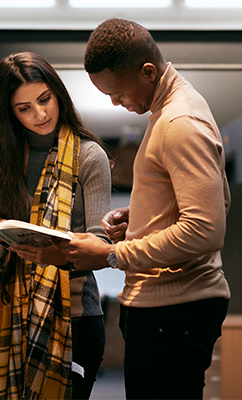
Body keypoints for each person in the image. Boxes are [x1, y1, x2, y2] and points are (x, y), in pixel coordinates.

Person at [58, 18, 231, 400]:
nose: (115, 102)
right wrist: (141, 220)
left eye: (117, 92)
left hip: (175, 311)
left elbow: (205, 228)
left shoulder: (179, 122)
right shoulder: (167, 113)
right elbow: (200, 203)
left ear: (148, 72)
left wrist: (113, 254)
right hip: (166, 307)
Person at [0, 51, 111, 400]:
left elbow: (99, 244)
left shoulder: (88, 155)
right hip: (14, 314)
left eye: (44, 99)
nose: (40, 114)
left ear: (57, 93)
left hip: (76, 316)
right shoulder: (2, 160)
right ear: (9, 112)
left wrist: (52, 254)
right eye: (24, 108)